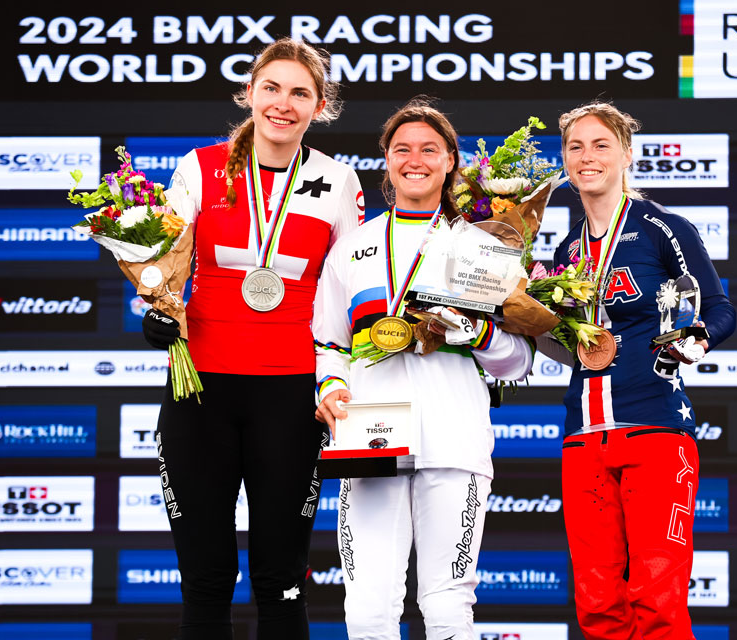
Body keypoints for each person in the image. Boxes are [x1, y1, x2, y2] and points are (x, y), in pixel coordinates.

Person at [141, 38, 363, 640]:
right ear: (249, 93)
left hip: (291, 394)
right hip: (201, 390)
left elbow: (351, 287)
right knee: (206, 581)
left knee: (282, 579)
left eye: (300, 93)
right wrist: (157, 310)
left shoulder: (338, 181)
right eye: (271, 88)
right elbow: (161, 265)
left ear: (320, 106)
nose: (283, 104)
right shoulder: (200, 166)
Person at [311, 98, 534, 640]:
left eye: (430, 149)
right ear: (385, 159)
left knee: (448, 607)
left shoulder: (485, 246)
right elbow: (326, 340)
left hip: (454, 443)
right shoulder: (354, 247)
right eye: (402, 148)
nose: (416, 159)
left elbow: (520, 359)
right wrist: (332, 385)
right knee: (366, 611)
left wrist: (473, 332)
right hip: (370, 441)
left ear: (451, 160)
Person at [548, 102, 736, 639]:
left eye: (601, 144)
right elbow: (570, 344)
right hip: (583, 439)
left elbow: (720, 309)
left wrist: (695, 340)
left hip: (655, 432)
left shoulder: (662, 228)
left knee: (657, 602)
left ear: (627, 154)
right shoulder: (565, 250)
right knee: (598, 604)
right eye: (575, 146)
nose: (587, 157)